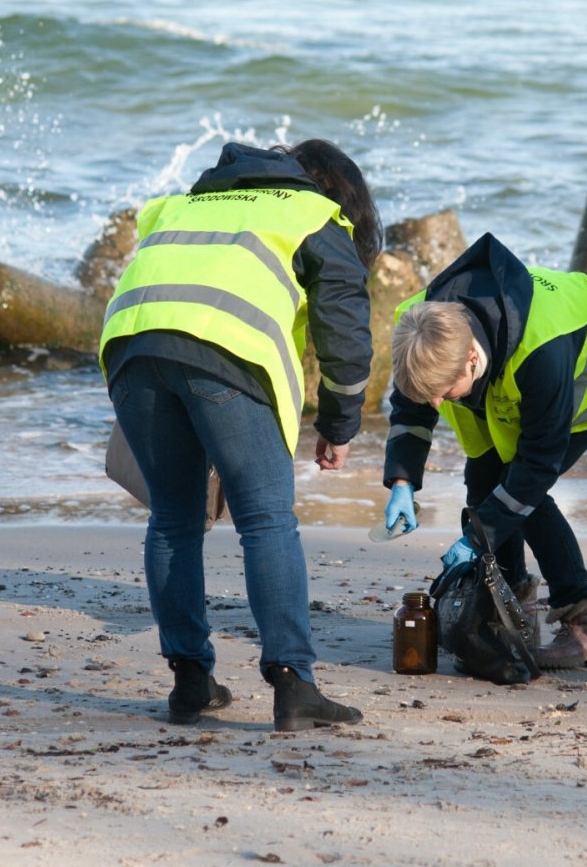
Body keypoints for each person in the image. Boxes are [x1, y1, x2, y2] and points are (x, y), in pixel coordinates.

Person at [99, 139, 380, 730]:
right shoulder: (310, 212)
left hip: (128, 344)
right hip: (222, 353)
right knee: (266, 519)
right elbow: (345, 324)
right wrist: (340, 423)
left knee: (174, 519)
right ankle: (294, 684)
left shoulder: (183, 204)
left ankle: (191, 683)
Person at [380, 233, 587, 669]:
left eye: (444, 393)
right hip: (506, 367)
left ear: (472, 359)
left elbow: (537, 467)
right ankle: (511, 603)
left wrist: (476, 536)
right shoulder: (422, 331)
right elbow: (411, 408)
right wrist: (401, 482)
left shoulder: (541, 353)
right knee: (484, 481)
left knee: (521, 489)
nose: (436, 404)